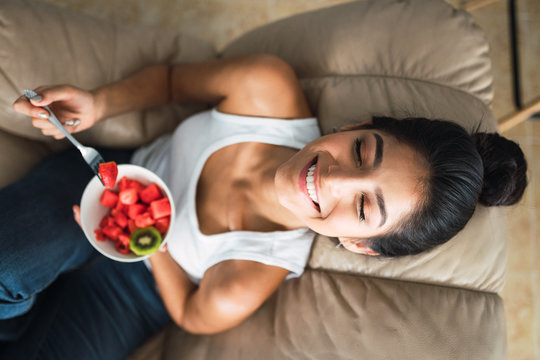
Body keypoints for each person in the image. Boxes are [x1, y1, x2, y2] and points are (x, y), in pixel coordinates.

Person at [1, 54, 527, 358]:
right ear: (356, 127)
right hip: (111, 175)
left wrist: (146, 238)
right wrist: (99, 104)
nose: (334, 177)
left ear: (358, 245)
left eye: (364, 208)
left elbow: (188, 312)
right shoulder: (266, 89)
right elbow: (169, 81)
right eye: (363, 151)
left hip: (138, 289)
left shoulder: (253, 273)